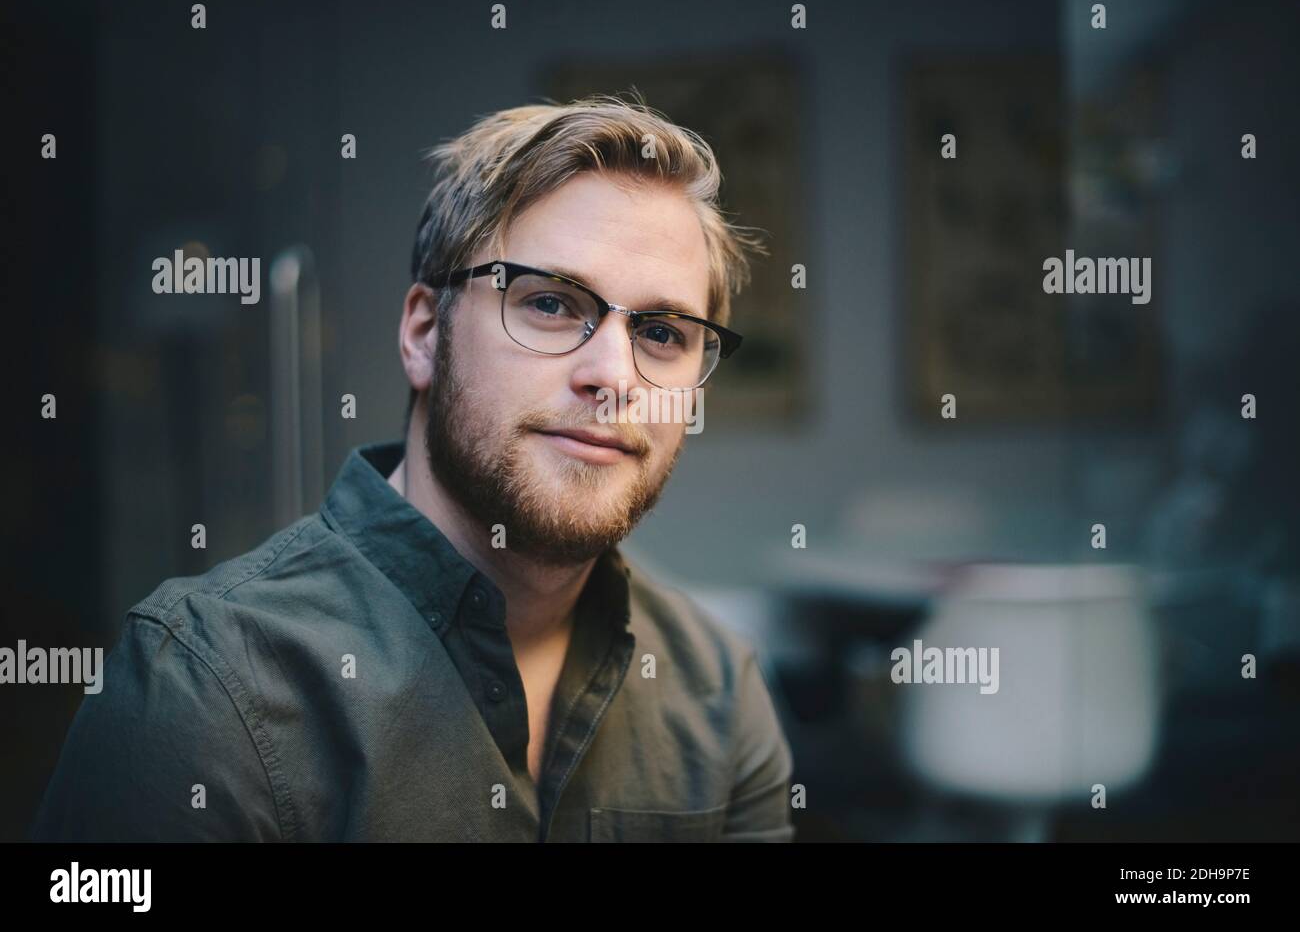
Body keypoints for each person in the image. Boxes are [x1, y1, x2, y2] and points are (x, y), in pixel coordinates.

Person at [32, 94, 795, 842]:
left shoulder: (717, 691)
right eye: (552, 304)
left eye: (661, 331)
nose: (614, 375)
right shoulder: (199, 694)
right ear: (425, 333)